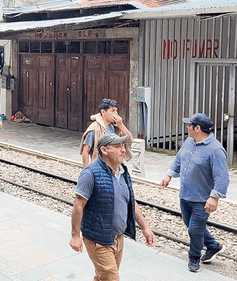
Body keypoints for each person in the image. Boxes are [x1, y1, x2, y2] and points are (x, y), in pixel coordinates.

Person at [70, 133, 156, 280]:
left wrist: (145, 227)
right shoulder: (90, 173)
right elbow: (79, 205)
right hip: (98, 240)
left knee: (102, 277)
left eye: (123, 146)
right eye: (117, 146)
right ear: (104, 150)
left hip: (118, 239)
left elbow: (130, 201)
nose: (123, 150)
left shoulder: (123, 172)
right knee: (111, 277)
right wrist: (75, 236)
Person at [160, 113, 230, 272]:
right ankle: (213, 246)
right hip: (185, 195)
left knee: (194, 230)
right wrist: (169, 175)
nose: (187, 127)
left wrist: (214, 197)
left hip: (202, 199)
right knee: (189, 223)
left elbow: (222, 177)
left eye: (189, 125)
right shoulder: (189, 142)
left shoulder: (215, 150)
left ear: (197, 128)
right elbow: (179, 159)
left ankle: (194, 258)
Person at [80, 98, 133, 168]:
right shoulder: (94, 128)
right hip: (99, 166)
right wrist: (86, 170)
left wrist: (121, 125)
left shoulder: (116, 127)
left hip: (115, 165)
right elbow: (85, 151)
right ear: (103, 112)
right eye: (113, 111)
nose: (116, 114)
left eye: (116, 111)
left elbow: (130, 140)